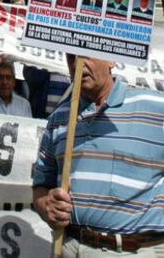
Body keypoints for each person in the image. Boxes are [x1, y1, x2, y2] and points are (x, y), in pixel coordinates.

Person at [33, 53, 164, 257]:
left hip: (132, 250)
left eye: (87, 55)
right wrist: (46, 206)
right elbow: (42, 184)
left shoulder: (155, 109)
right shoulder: (59, 118)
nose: (78, 64)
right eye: (71, 58)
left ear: (112, 60)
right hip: (68, 247)